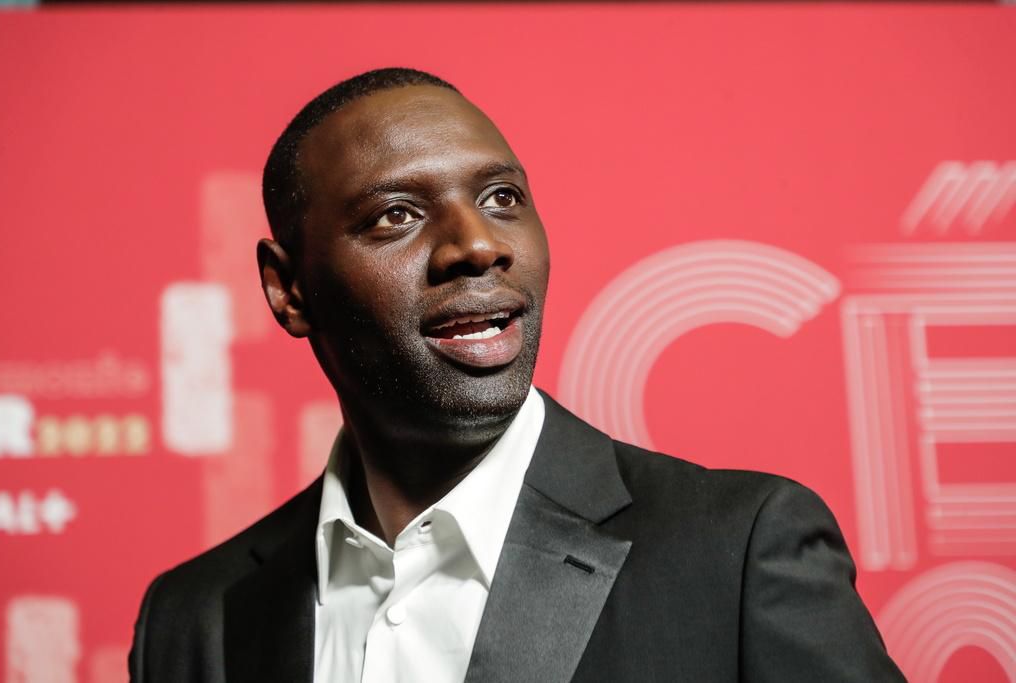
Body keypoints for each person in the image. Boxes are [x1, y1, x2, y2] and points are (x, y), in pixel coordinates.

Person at [128, 68, 905, 683]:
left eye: (502, 198)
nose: (476, 245)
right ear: (289, 289)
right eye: (396, 214)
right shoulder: (194, 617)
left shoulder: (737, 549)